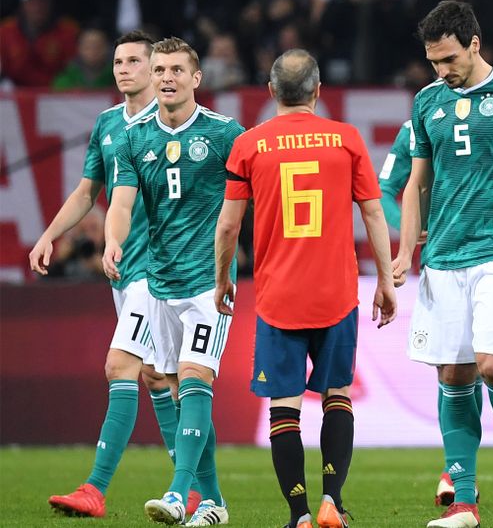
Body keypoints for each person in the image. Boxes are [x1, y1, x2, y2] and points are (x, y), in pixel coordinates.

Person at [214, 48, 397, 528]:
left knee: (285, 407)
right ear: (319, 91)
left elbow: (229, 226)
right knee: (338, 395)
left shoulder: (249, 145)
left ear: (271, 92)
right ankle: (332, 499)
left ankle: (298, 513)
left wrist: (222, 278)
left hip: (279, 299)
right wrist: (385, 278)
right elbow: (374, 213)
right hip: (336, 294)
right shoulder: (347, 138)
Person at [391, 1, 493, 527]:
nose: (442, 70)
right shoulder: (427, 102)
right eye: (434, 61)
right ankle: (464, 499)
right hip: (442, 257)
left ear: (475, 44)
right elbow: (416, 181)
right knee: (453, 373)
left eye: (450, 59)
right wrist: (404, 250)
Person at [38, 30, 202, 519]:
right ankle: (191, 488)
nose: (123, 68)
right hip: (122, 270)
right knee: (157, 378)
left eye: (134, 60)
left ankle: (96, 488)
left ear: (155, 69)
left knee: (120, 367)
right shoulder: (108, 124)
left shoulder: (170, 124)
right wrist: (50, 234)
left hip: (157, 272)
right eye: (118, 61)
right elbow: (89, 191)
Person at [103, 36, 245, 526]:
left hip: (208, 283)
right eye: (160, 69)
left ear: (196, 78)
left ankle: (177, 491)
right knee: (163, 379)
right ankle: (214, 502)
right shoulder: (133, 138)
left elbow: (256, 198)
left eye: (176, 70)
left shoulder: (226, 134)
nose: (166, 78)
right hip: (158, 281)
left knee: (195, 377)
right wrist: (113, 241)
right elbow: (120, 202)